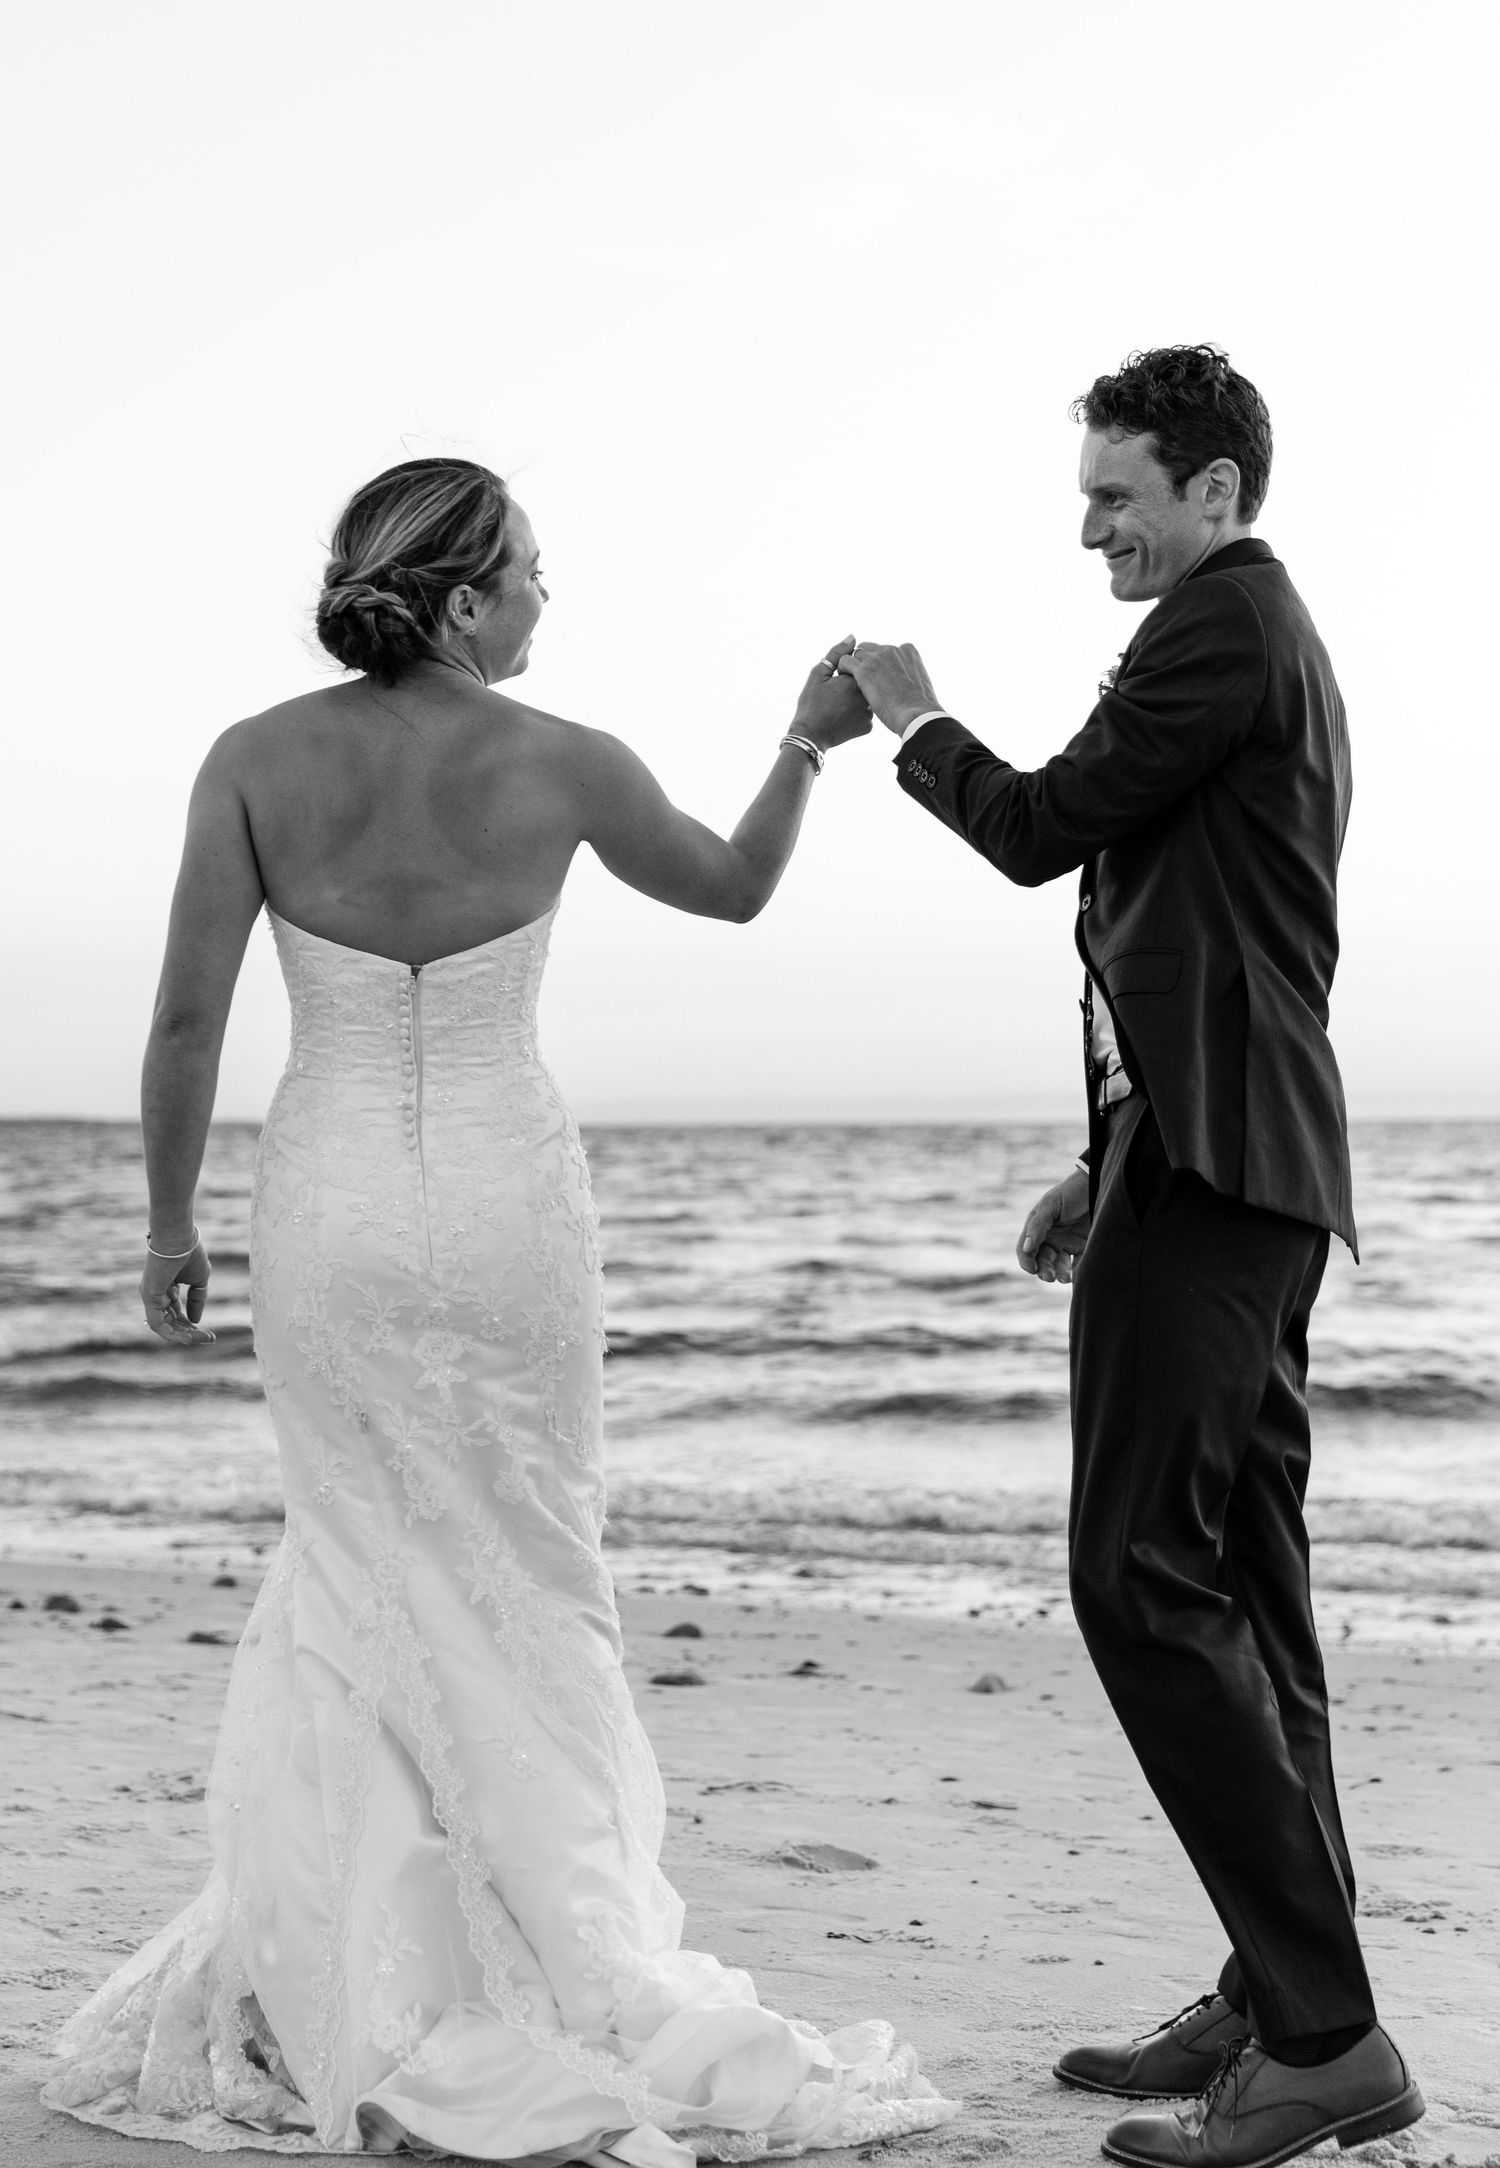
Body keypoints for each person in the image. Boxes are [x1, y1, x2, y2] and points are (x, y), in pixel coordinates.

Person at [42, 457, 957, 2161]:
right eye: (530, 572)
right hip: (509, 1211)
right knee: (528, 1561)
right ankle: (542, 1948)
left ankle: (352, 1978)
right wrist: (808, 742)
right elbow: (737, 887)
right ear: (462, 599)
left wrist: (167, 1222)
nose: (548, 598)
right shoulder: (570, 765)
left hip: (327, 1204)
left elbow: (184, 1025)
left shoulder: (252, 759)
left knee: (356, 1559)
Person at [839, 349, 1424, 2168]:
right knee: (1243, 1586)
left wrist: (913, 718)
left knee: (1137, 1581)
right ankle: (1277, 1984)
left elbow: (1039, 834)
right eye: (1087, 492)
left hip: (1227, 1178)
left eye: (1116, 496)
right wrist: (1110, 1162)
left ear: (1216, 493)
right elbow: (1200, 930)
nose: (1089, 524)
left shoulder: (1226, 624)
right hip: (1220, 1161)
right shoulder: (1248, 634)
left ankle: (1326, 2035)